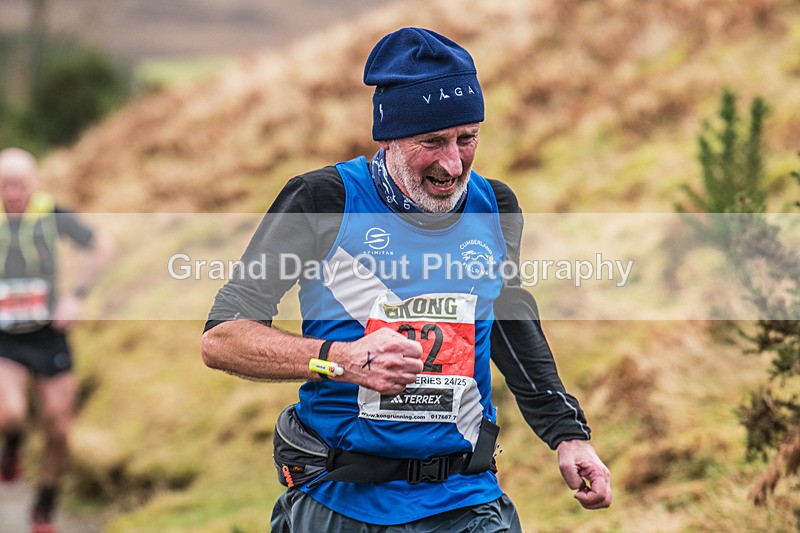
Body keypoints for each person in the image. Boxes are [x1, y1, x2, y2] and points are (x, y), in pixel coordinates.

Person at [202, 27, 611, 531]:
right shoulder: (322, 199)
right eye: (432, 142)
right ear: (389, 137)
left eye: (467, 138)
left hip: (465, 498)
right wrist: (340, 360)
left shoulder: (495, 205)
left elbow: (509, 323)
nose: (452, 163)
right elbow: (222, 339)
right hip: (340, 499)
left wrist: (568, 435)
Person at [0, 147, 113, 533]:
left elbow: (103, 246)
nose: (13, 194)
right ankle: (12, 447)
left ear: (34, 183)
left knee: (59, 428)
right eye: (5, 186)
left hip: (49, 335)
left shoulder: (51, 214)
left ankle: (44, 507)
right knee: (10, 413)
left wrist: (76, 297)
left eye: (20, 185)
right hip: (5, 338)